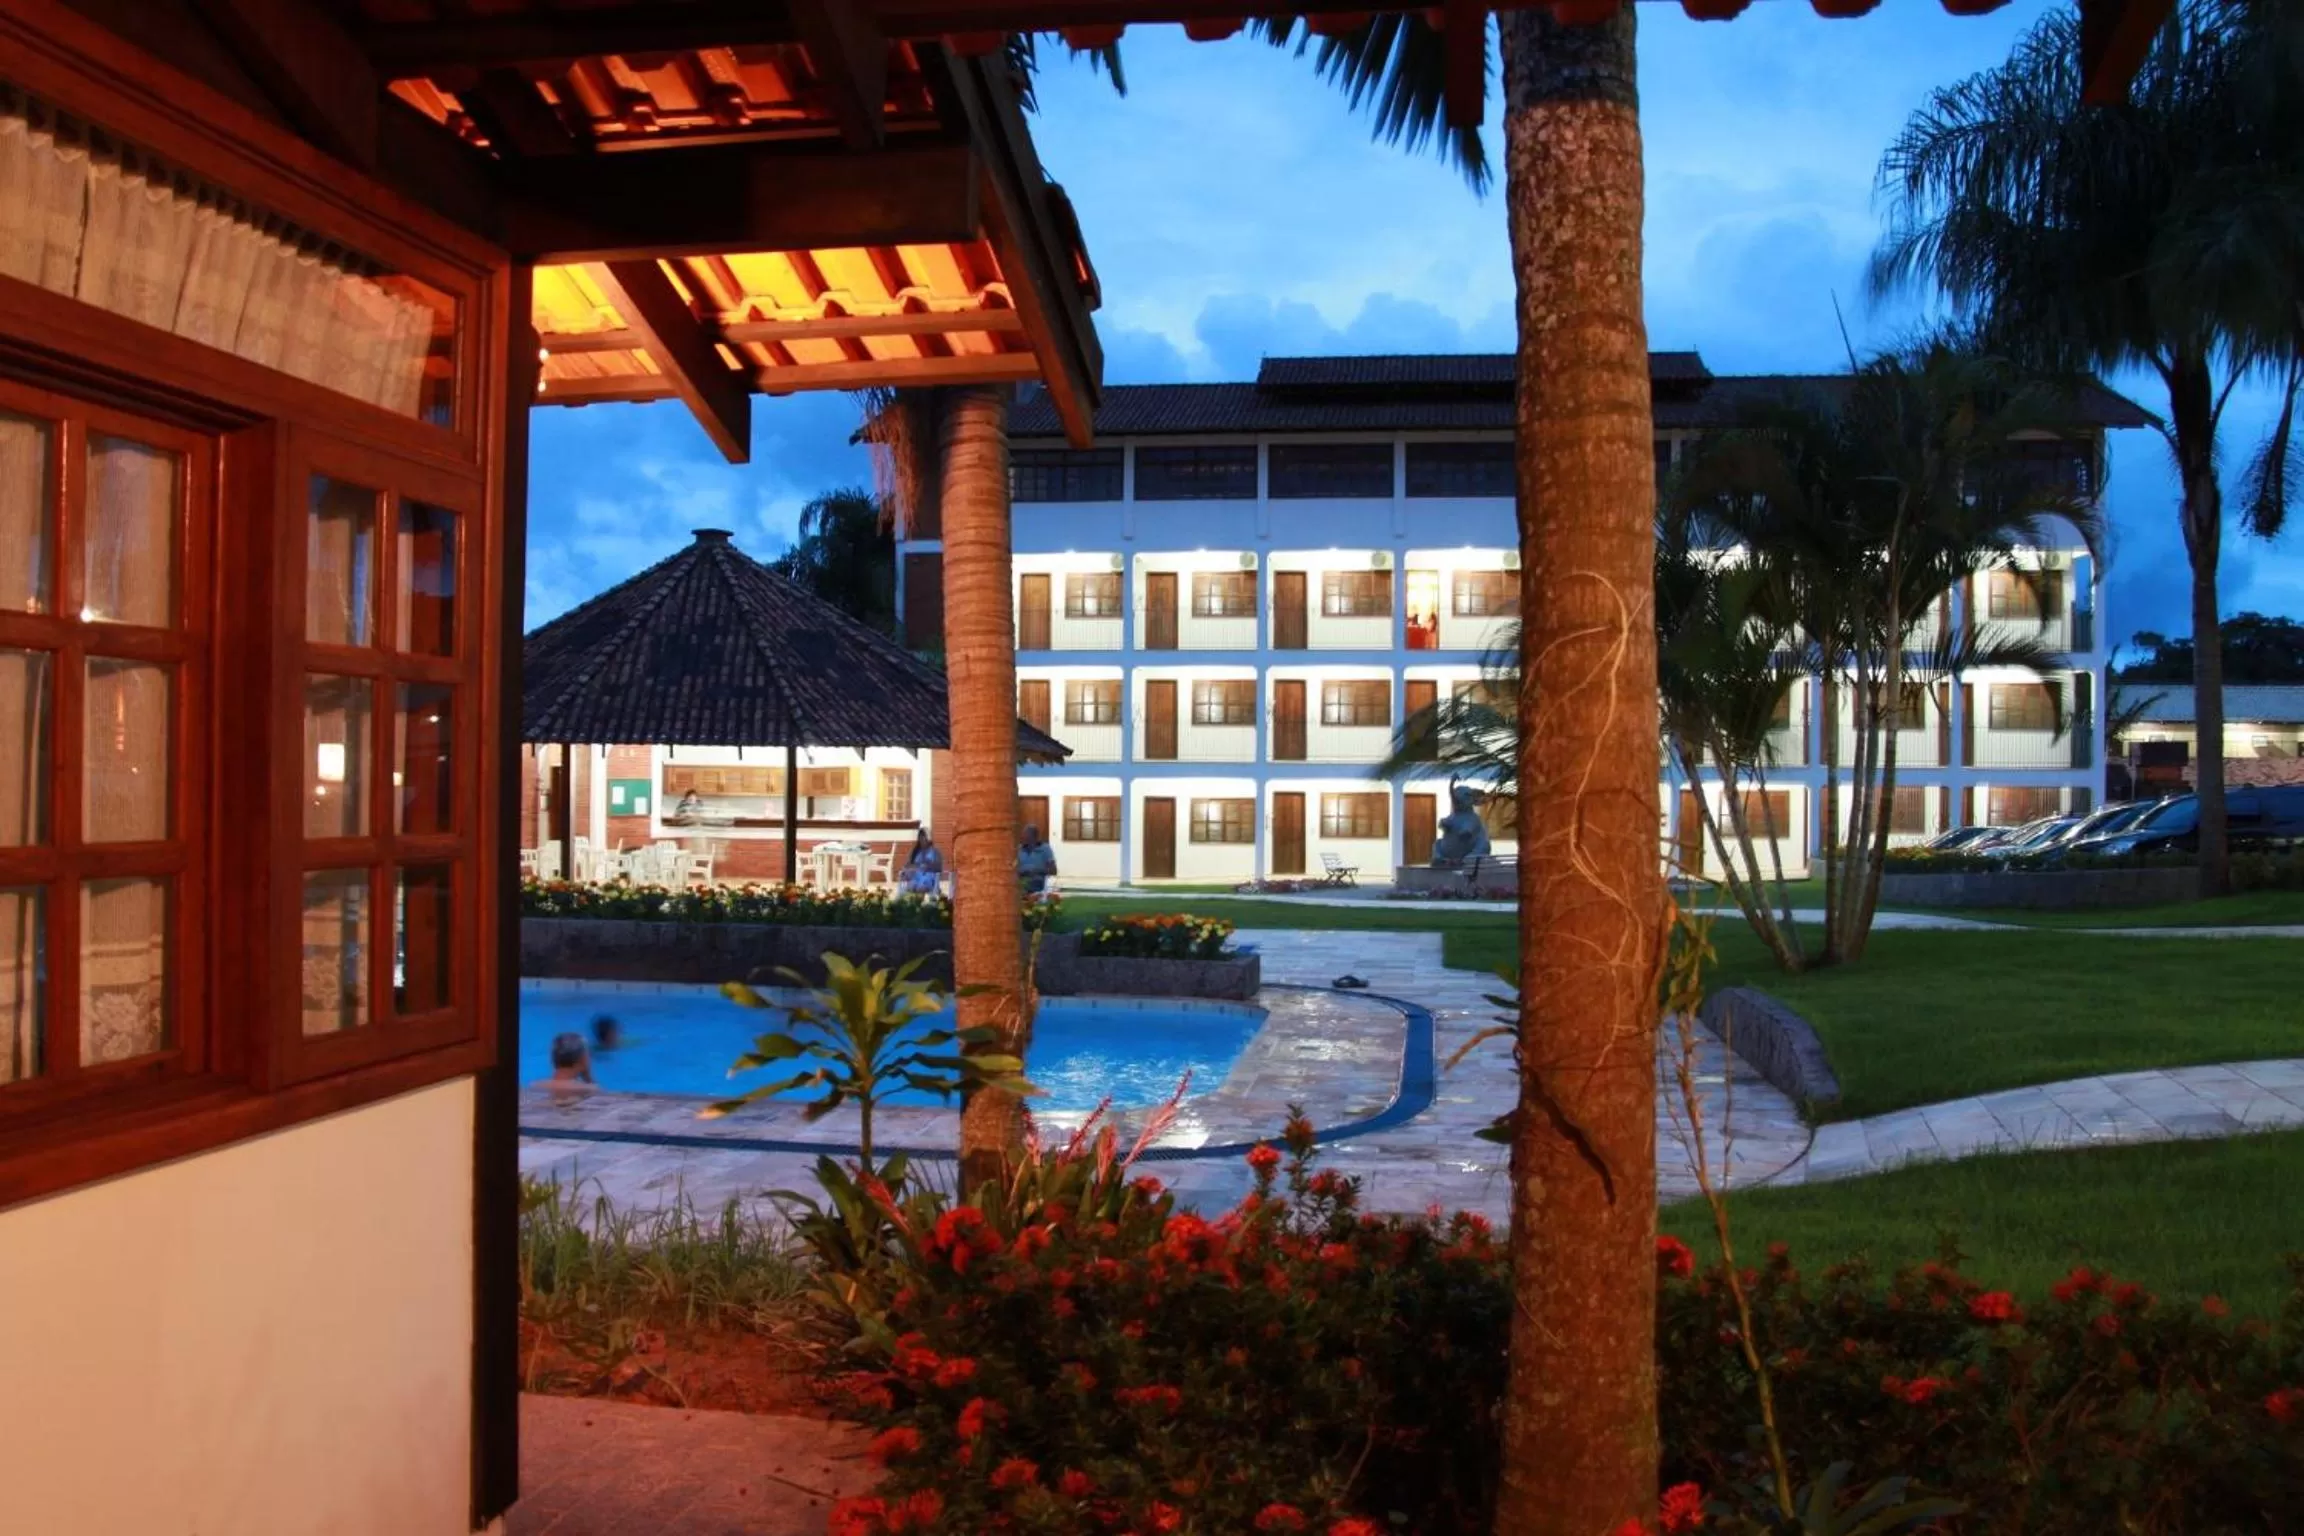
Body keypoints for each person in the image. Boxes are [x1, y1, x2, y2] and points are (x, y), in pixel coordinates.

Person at [546, 1031, 595, 1101]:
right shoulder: (585, 1090)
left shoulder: (535, 1086)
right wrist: (588, 1078)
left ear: (553, 1059)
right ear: (583, 1059)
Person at [1017, 824, 1058, 895]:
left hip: (1037, 882)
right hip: (1020, 881)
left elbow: (1053, 870)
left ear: (1034, 837)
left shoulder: (1045, 849)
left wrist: (1037, 871)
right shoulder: (1019, 849)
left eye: (1026, 836)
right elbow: (1013, 868)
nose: (1023, 838)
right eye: (1023, 836)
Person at [900, 829, 943, 895]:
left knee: (920, 888)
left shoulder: (934, 852)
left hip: (929, 878)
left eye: (924, 837)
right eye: (920, 837)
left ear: (929, 839)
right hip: (915, 878)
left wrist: (926, 866)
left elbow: (939, 867)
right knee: (909, 886)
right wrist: (906, 869)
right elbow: (908, 864)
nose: (922, 840)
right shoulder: (916, 851)